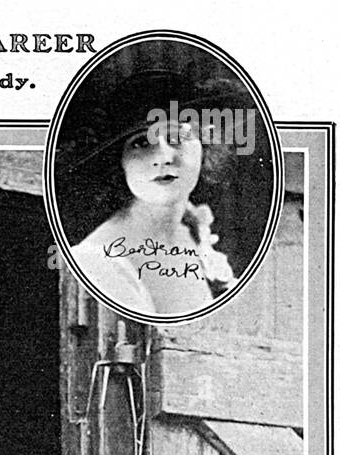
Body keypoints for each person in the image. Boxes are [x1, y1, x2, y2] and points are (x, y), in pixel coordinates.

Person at [59, 70, 242, 316]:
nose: (164, 157)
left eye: (176, 137)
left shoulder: (192, 235)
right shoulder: (97, 261)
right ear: (118, 161)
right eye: (141, 143)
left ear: (204, 145)